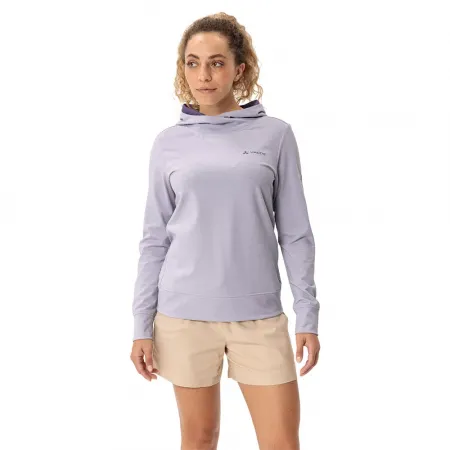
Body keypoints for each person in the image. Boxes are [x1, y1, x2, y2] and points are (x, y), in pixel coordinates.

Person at [130, 12, 321, 450]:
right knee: (199, 439)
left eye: (216, 63)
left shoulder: (275, 135)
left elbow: (295, 233)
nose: (204, 75)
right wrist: (141, 325)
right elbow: (155, 239)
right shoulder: (168, 142)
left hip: (259, 317)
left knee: (281, 442)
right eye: (193, 63)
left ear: (239, 69)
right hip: (183, 316)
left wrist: (307, 314)